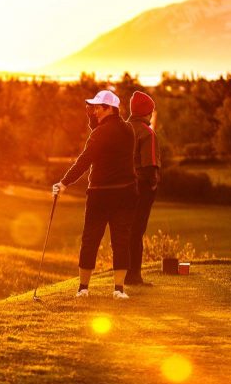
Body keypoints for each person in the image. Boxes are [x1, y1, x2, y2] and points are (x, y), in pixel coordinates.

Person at [53, 88, 136, 299]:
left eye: (98, 108)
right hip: (126, 194)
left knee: (90, 239)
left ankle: (83, 288)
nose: (94, 111)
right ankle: (119, 290)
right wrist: (94, 122)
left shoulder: (99, 133)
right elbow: (104, 136)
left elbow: (84, 160)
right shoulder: (128, 130)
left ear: (109, 108)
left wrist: (64, 183)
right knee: (121, 240)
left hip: (100, 195)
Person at [126, 90, 161, 286]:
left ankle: (123, 272)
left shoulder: (124, 128)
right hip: (141, 186)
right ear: (147, 112)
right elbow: (150, 165)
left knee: (127, 230)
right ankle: (134, 276)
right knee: (137, 230)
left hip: (123, 185)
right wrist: (154, 184)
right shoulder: (147, 133)